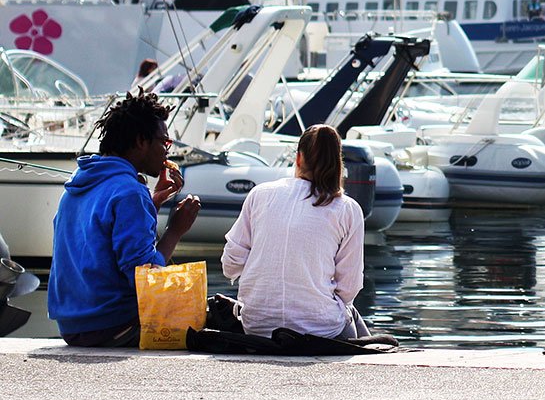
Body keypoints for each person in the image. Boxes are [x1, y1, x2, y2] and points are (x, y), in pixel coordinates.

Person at [48, 92, 201, 347]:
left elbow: (100, 239)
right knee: (210, 319)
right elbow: (144, 277)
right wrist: (175, 230)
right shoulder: (129, 191)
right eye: (164, 141)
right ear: (141, 141)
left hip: (72, 326)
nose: (166, 150)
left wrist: (153, 203)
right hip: (112, 324)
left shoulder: (80, 184)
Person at [221, 124, 367, 339]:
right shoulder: (347, 208)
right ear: (338, 163)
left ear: (299, 158)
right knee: (350, 315)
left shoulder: (260, 195)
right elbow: (349, 287)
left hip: (256, 324)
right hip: (319, 330)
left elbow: (230, 265)